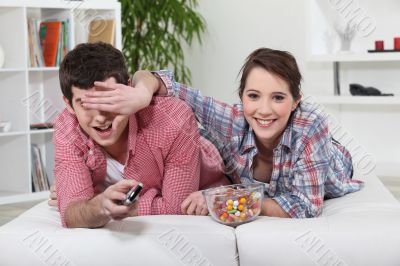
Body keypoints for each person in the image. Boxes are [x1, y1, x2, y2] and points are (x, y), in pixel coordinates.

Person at [80, 48, 364, 218]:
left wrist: (224, 198)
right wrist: (142, 94)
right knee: (201, 140)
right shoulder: (235, 119)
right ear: (242, 97)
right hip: (244, 172)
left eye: (278, 98)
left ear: (296, 101)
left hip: (332, 164)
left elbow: (304, 207)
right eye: (254, 96)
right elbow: (161, 80)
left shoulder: (310, 125)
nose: (264, 110)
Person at [53, 42, 227, 228]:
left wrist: (120, 205)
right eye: (86, 105)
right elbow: (71, 214)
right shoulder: (66, 129)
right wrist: (98, 206)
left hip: (209, 161)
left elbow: (178, 207)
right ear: (69, 105)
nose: (100, 117)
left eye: (110, 100)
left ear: (129, 89)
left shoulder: (174, 119)